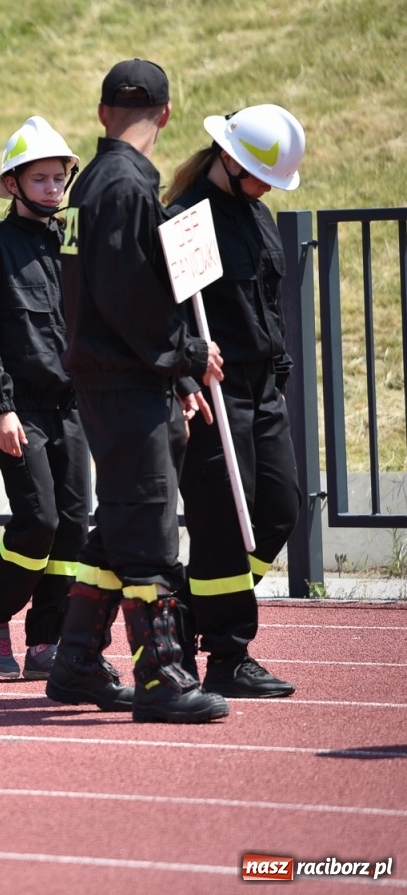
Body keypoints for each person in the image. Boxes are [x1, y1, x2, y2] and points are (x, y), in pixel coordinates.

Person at [49, 58, 229, 723]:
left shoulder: (93, 183)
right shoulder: (124, 186)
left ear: (102, 114)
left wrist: (175, 367)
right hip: (124, 377)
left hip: (109, 374)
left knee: (120, 520)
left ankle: (75, 659)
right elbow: (129, 297)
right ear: (167, 114)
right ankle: (161, 674)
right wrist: (184, 355)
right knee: (148, 525)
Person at [162, 104, 307, 699]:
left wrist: (278, 364)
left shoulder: (257, 215)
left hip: (260, 386)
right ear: (228, 159)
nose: (267, 188)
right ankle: (227, 654)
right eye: (260, 176)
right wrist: (187, 372)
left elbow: (268, 302)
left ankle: (195, 608)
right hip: (215, 388)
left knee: (278, 509)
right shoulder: (186, 220)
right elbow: (167, 311)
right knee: (223, 523)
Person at [0, 117, 90, 680]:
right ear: (12, 184)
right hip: (22, 409)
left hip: (73, 408)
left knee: (73, 527)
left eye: (59, 178)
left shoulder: (72, 247)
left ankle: (46, 639)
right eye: (39, 179)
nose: (52, 188)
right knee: (37, 520)